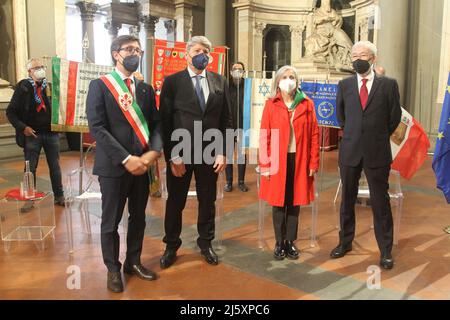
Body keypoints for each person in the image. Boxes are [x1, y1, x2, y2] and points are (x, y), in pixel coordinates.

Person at [86, 35, 163, 293]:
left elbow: (156, 124)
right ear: (116, 54)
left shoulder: (145, 89)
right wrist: (126, 158)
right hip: (113, 167)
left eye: (138, 50)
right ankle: (112, 268)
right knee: (111, 221)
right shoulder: (100, 86)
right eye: (130, 49)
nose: (135, 54)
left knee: (138, 217)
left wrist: (153, 152)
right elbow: (97, 128)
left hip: (142, 167)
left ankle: (133, 261)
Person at [159, 36, 232, 269]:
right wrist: (172, 156)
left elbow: (227, 119)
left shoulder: (220, 81)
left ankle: (206, 242)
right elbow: (165, 121)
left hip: (210, 151)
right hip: (181, 150)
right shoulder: (172, 82)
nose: (203, 54)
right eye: (199, 50)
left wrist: (223, 152)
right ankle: (171, 244)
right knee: (176, 201)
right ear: (186, 54)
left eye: (207, 51)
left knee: (207, 200)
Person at [332, 41, 402, 270]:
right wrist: (355, 134)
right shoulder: (344, 85)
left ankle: (386, 250)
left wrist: (376, 135)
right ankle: (345, 242)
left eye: (362, 55)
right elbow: (340, 116)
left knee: (381, 203)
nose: (357, 59)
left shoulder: (388, 85)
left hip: (377, 152)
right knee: (347, 201)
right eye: (354, 55)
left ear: (372, 58)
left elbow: (394, 117)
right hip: (350, 151)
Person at [259, 65, 320, 260]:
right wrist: (266, 164)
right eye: (284, 77)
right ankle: (279, 241)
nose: (288, 80)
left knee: (295, 201)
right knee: (278, 201)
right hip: (277, 160)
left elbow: (314, 136)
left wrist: (313, 163)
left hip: (299, 159)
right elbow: (264, 136)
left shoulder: (307, 104)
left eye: (292, 76)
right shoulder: (271, 104)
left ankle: (290, 241)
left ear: (297, 80)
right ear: (278, 81)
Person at [6, 58, 65, 210]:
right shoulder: (23, 87)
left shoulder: (49, 87)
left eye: (42, 67)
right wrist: (22, 127)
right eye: (36, 68)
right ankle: (29, 199)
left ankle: (59, 196)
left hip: (51, 134)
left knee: (55, 167)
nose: (40, 70)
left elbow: (58, 108)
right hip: (32, 134)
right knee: (30, 168)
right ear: (29, 72)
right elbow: (10, 112)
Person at [225, 62, 249, 192]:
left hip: (242, 125)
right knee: (228, 154)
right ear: (230, 72)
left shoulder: (248, 86)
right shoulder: (225, 85)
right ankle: (229, 182)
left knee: (241, 154)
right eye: (235, 69)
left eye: (240, 69)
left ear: (244, 72)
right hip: (228, 125)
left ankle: (241, 181)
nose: (237, 71)